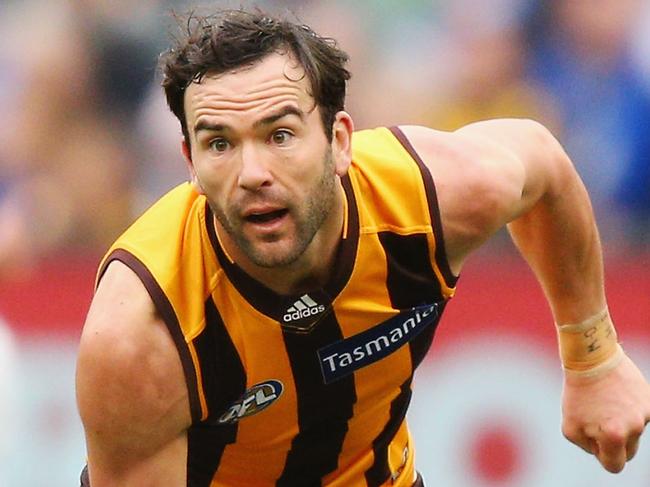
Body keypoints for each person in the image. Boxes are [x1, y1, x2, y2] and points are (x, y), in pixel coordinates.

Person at [75, 9, 650, 487]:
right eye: (219, 143)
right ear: (190, 166)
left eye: (280, 135)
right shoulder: (141, 331)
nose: (252, 173)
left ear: (340, 141)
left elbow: (541, 161)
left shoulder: (426, 197)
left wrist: (593, 358)